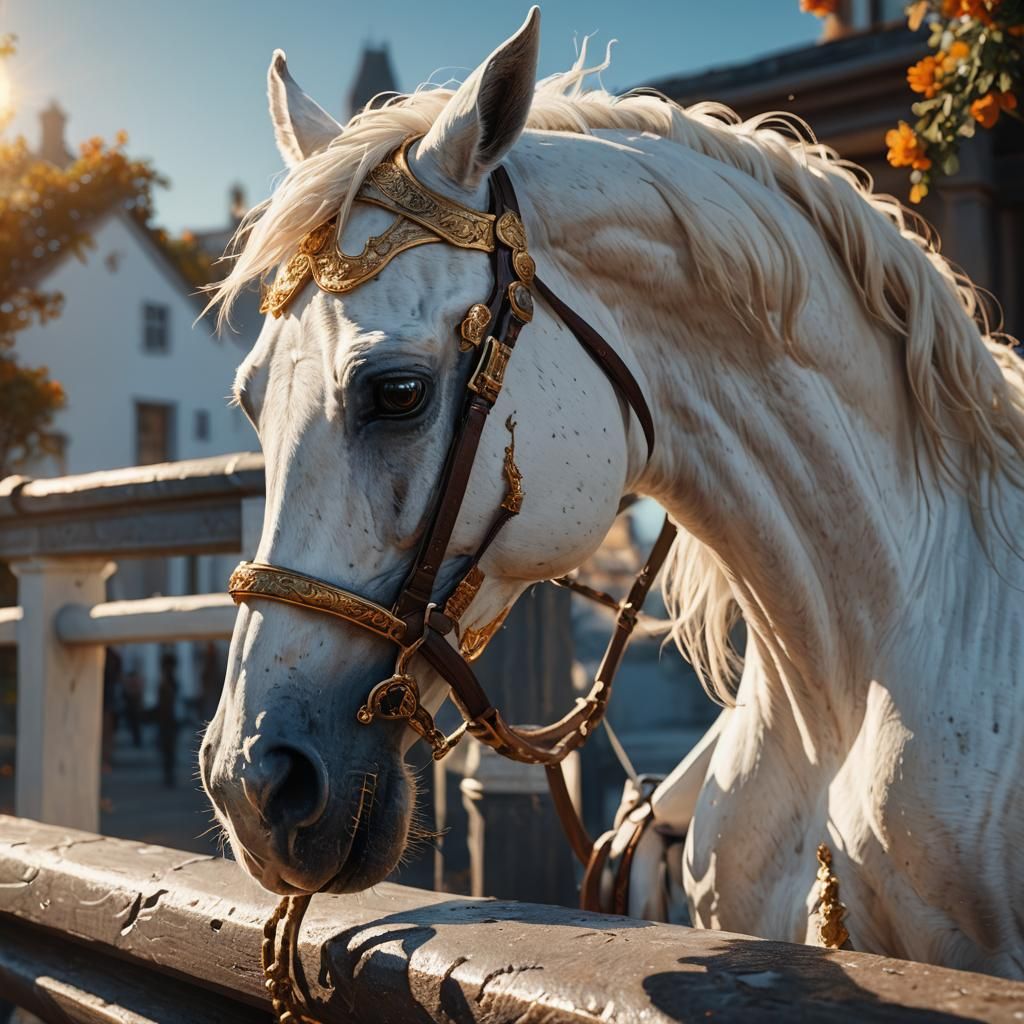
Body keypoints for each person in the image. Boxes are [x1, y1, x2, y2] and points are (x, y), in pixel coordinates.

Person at [156, 652, 179, 788]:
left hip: (168, 722)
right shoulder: (167, 682)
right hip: (168, 722)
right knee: (168, 750)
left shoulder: (167, 681)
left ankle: (169, 775)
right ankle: (169, 775)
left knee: (169, 751)